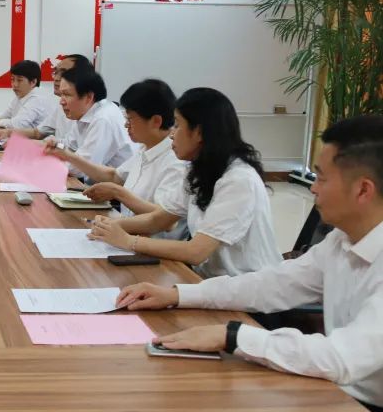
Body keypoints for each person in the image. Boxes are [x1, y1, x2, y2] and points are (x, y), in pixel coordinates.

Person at [116, 115, 383, 412]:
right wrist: (177, 294)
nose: (313, 189)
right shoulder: (340, 240)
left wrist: (232, 336)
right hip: (337, 394)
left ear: (363, 190)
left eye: (321, 178)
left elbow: (341, 358)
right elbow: (272, 284)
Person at [88, 87, 281, 279]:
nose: (172, 134)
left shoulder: (239, 180)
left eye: (178, 125)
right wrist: (112, 225)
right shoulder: (198, 170)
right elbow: (159, 219)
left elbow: (196, 252)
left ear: (199, 132)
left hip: (248, 286)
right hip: (210, 280)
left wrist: (128, 241)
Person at [46, 78, 187, 234]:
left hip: (149, 245)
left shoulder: (176, 161)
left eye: (130, 119)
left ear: (155, 121)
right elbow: (114, 176)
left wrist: (117, 193)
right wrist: (67, 155)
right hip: (124, 234)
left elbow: (166, 221)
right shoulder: (145, 148)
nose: (126, 125)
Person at [44, 66, 134, 175]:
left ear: (89, 97)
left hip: (117, 184)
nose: (61, 102)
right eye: (61, 94)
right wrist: (54, 145)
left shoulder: (103, 119)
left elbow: (81, 169)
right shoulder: (84, 113)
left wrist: (47, 164)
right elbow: (69, 146)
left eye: (67, 95)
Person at [0, 54, 89, 143]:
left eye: (63, 73)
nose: (56, 78)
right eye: (56, 72)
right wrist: (8, 133)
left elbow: (69, 147)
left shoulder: (88, 113)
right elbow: (38, 133)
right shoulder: (61, 106)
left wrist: (27, 143)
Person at [0, 60, 57, 130]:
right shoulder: (21, 95)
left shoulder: (38, 99)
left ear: (33, 82)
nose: (15, 84)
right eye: (12, 79)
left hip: (43, 138)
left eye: (19, 80)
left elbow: (17, 125)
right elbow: (6, 115)